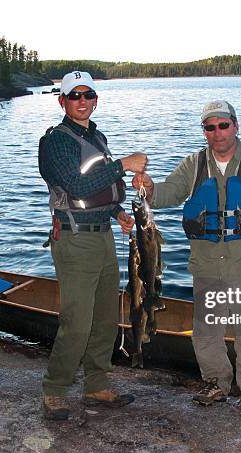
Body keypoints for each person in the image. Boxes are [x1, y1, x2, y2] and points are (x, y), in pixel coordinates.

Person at [133, 100, 241, 418]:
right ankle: (216, 384)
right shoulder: (193, 165)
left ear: (235, 126)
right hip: (207, 267)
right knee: (207, 333)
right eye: (210, 127)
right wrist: (149, 188)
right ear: (204, 132)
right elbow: (169, 193)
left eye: (223, 125)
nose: (217, 132)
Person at [38, 70, 148, 421]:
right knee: (78, 321)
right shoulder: (56, 141)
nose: (82, 101)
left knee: (105, 318)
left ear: (96, 99)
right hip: (73, 241)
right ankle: (55, 390)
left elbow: (96, 189)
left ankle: (96, 385)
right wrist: (122, 165)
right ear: (63, 101)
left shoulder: (95, 136)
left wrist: (117, 212)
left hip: (102, 237)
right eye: (75, 96)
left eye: (88, 95)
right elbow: (75, 185)